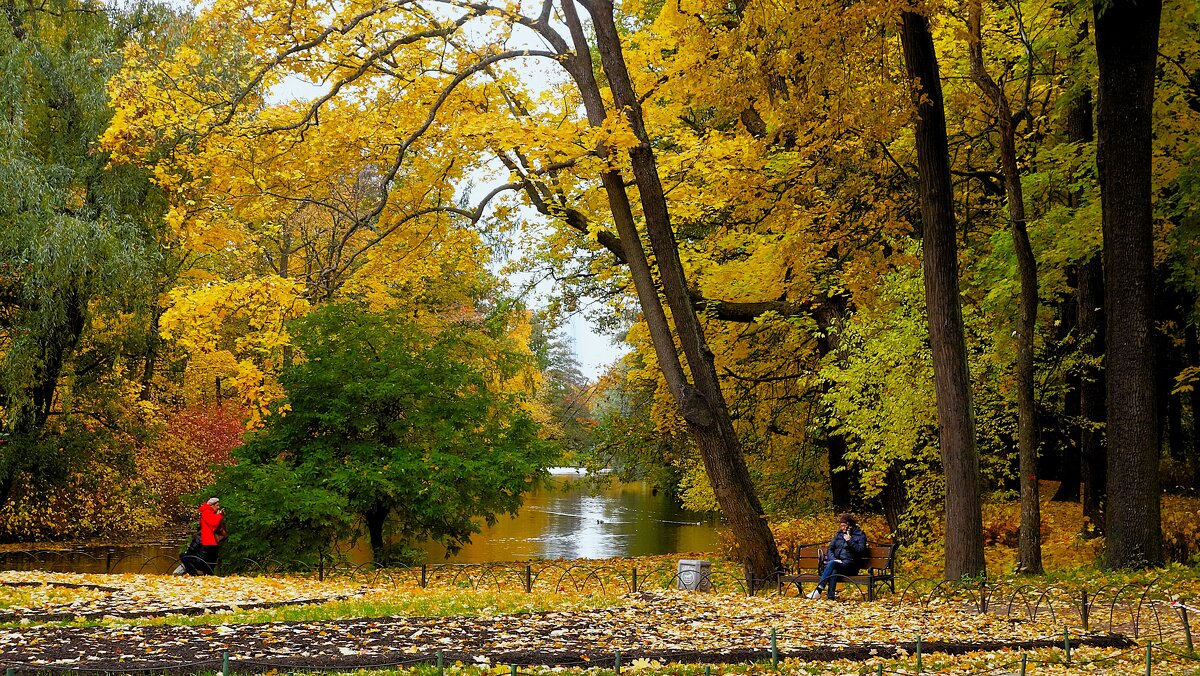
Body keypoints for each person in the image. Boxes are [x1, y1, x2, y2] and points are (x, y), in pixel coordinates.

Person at [807, 513, 867, 600]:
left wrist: (850, 541)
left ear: (850, 525)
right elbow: (830, 549)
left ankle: (819, 590)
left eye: (844, 525)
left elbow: (861, 551)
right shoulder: (839, 534)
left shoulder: (860, 535)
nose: (842, 528)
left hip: (851, 566)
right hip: (838, 564)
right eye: (841, 525)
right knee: (834, 569)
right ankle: (830, 598)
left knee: (833, 566)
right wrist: (834, 560)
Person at [187, 497, 226, 575]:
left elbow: (217, 525)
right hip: (208, 542)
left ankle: (207, 577)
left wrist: (220, 516)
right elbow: (213, 523)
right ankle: (194, 574)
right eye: (217, 505)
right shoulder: (206, 512)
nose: (218, 507)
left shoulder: (212, 513)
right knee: (206, 564)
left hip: (213, 542)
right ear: (212, 505)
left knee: (211, 564)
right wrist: (219, 516)